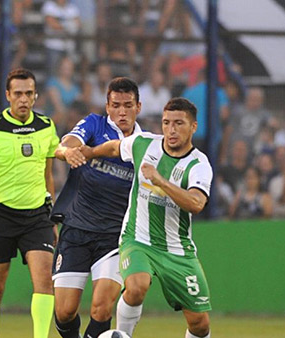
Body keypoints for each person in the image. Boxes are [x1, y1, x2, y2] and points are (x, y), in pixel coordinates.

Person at [73, 97, 214, 338]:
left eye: (179, 123)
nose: (171, 129)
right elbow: (116, 147)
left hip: (177, 250)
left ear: (193, 127)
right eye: (166, 122)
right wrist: (90, 151)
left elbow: (196, 203)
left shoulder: (199, 164)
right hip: (137, 239)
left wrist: (160, 181)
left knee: (200, 324)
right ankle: (122, 335)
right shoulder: (144, 143)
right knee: (136, 286)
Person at [50, 77, 143, 338]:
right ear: (107, 105)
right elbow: (68, 142)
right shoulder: (94, 124)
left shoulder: (144, 144)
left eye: (128, 105)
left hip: (115, 236)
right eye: (115, 105)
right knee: (65, 312)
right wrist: (67, 152)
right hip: (77, 230)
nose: (121, 112)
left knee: (102, 309)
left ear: (139, 106)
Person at [0, 68, 59, 338]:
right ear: (8, 95)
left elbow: (47, 175)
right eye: (18, 93)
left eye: (28, 93)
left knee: (44, 281)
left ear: (35, 96)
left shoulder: (46, 126)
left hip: (37, 217)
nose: (23, 99)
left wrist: (52, 217)